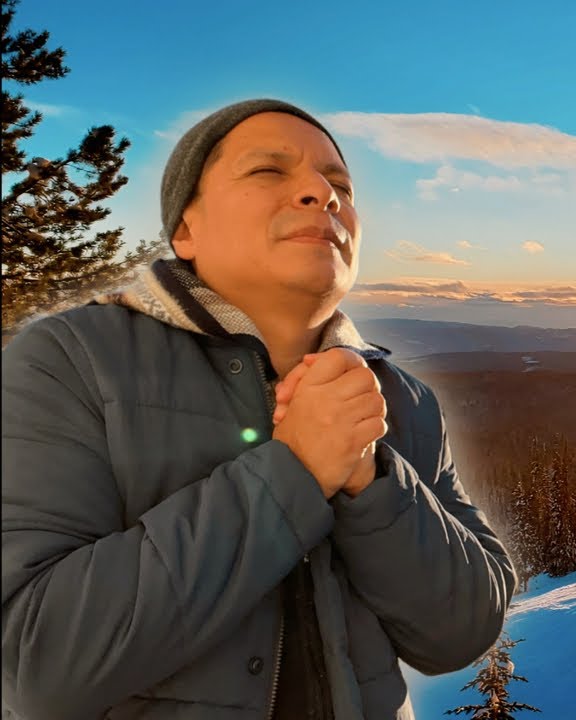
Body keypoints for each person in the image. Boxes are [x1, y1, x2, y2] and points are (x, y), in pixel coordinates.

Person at [1, 99, 516, 719]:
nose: (321, 193)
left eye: (341, 185)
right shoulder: (70, 361)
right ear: (184, 229)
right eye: (269, 171)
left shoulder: (400, 399)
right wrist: (296, 469)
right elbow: (32, 663)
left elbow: (464, 629)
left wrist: (370, 478)